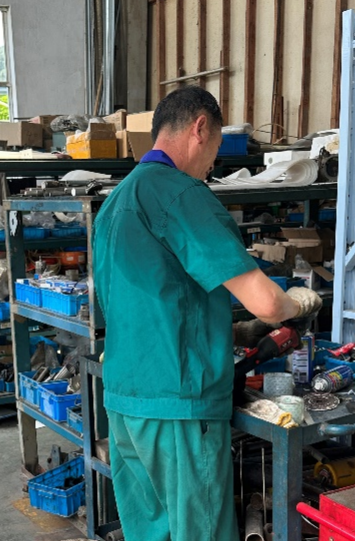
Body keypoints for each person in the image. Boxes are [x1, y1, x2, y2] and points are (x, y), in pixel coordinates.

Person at [91, 86, 322, 541]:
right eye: (216, 149)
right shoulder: (180, 193)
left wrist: (234, 330)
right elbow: (267, 302)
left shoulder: (116, 202)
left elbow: (147, 302)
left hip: (125, 401)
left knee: (150, 532)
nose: (212, 165)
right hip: (179, 403)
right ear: (200, 128)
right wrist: (298, 302)